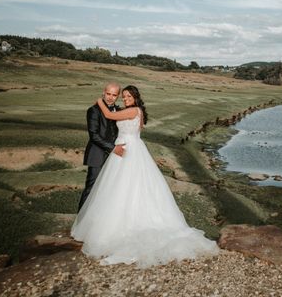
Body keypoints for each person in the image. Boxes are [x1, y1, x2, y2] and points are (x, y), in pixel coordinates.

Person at [71, 85, 218, 267]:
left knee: (123, 186)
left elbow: (109, 116)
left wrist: (100, 101)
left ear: (135, 97)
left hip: (125, 149)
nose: (124, 99)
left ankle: (119, 224)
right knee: (121, 186)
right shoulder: (133, 111)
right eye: (123, 96)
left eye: (127, 96)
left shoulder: (133, 110)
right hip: (126, 148)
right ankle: (92, 220)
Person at [77, 82, 125, 211]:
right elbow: (94, 136)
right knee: (91, 187)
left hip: (115, 157)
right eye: (108, 94)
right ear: (103, 92)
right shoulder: (93, 110)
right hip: (97, 154)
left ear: (118, 96)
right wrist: (113, 148)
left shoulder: (120, 111)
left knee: (110, 188)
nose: (110, 97)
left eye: (114, 95)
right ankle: (80, 221)